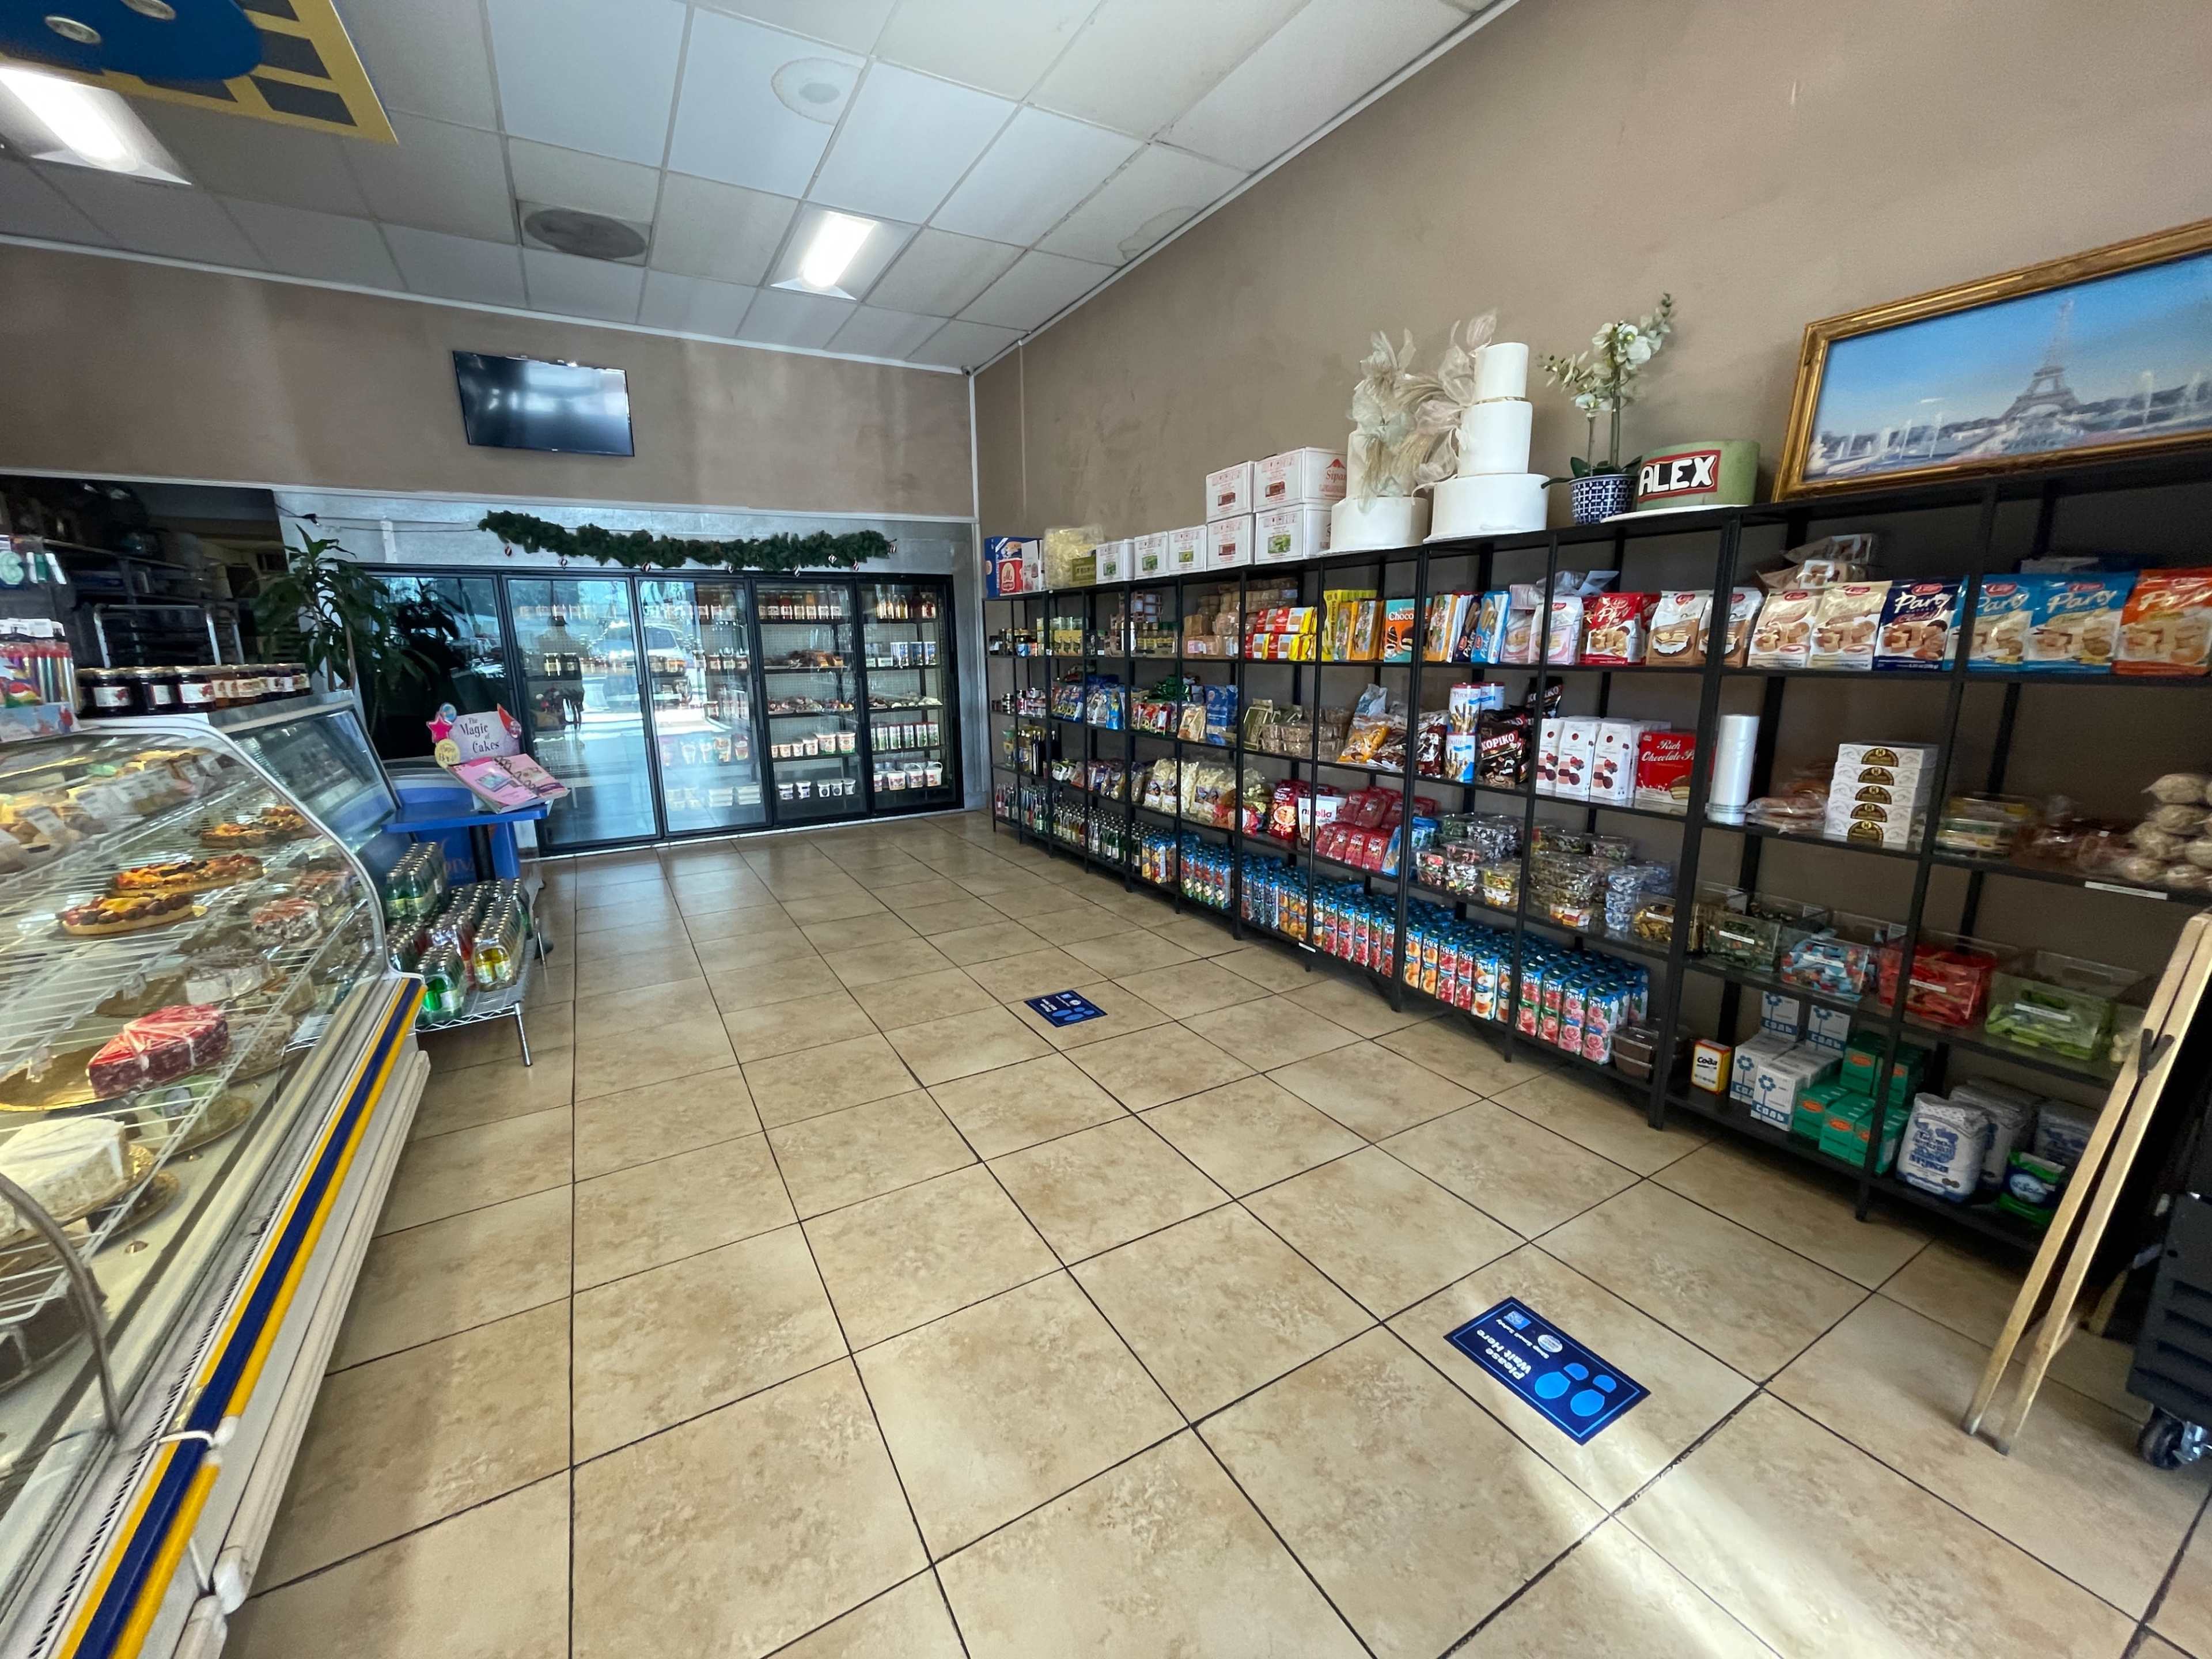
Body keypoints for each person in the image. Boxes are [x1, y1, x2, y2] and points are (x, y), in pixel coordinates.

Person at [532, 610, 586, 730]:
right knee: (556, 697)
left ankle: (577, 706)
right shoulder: (545, 639)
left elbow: (580, 651)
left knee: (576, 691)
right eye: (558, 626)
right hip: (553, 674)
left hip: (570, 674)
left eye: (562, 626)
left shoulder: (568, 639)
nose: (561, 629)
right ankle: (560, 718)